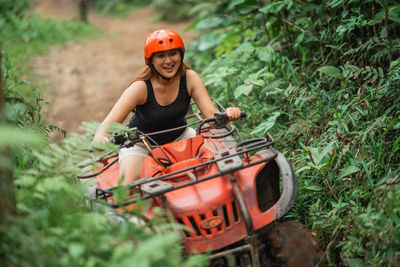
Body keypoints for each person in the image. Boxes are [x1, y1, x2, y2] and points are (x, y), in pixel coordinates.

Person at [93, 29, 241, 185]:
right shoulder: (140, 87)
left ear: (181, 55)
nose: (168, 61)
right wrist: (99, 138)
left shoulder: (190, 78)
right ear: (150, 61)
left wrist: (228, 114)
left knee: (220, 170)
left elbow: (212, 118)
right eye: (160, 56)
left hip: (182, 137)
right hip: (142, 145)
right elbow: (108, 124)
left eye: (173, 54)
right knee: (127, 188)